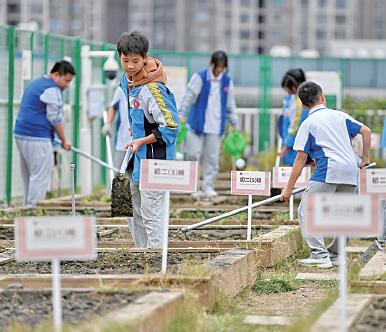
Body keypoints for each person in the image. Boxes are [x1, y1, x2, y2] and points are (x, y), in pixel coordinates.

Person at [281, 81, 371, 268]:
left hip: (328, 169)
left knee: (307, 211)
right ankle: (336, 255)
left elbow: (299, 160)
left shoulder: (308, 123)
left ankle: (319, 255)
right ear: (322, 97)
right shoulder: (340, 116)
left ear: (304, 105)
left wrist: (287, 190)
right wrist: (365, 159)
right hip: (350, 171)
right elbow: (366, 131)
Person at [117, 31, 179, 248]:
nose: (130, 66)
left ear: (145, 58)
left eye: (135, 61)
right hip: (134, 160)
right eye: (125, 61)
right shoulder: (128, 83)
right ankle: (141, 255)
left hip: (154, 161)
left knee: (152, 212)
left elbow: (171, 127)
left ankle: (156, 262)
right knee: (130, 210)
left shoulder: (152, 89)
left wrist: (142, 141)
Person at [14, 60, 75, 208]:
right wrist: (64, 140)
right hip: (37, 136)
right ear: (56, 75)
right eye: (66, 81)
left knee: (29, 176)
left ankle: (27, 210)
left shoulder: (37, 83)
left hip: (21, 134)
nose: (67, 85)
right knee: (40, 177)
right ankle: (33, 212)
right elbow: (55, 118)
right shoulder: (52, 89)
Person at [178, 51, 238, 199]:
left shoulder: (227, 81)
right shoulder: (200, 77)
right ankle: (192, 187)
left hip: (216, 125)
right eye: (217, 67)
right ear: (212, 64)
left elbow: (230, 103)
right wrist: (181, 113)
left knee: (212, 158)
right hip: (196, 123)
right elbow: (189, 96)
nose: (219, 70)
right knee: (192, 154)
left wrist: (234, 121)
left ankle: (208, 186)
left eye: (222, 68)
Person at [277, 68, 308, 166]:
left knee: (296, 170)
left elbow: (295, 127)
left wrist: (285, 147)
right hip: (288, 141)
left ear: (294, 86)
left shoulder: (299, 102)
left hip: (294, 145)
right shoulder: (290, 98)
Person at [101, 86, 131, 169]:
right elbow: (113, 106)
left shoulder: (147, 87)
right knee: (117, 172)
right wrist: (108, 123)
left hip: (141, 143)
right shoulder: (122, 89)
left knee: (136, 176)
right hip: (123, 141)